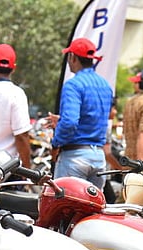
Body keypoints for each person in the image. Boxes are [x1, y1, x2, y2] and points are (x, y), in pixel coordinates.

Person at [47, 37, 114, 187]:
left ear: (72, 57)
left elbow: (70, 122)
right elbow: (95, 117)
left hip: (75, 158)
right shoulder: (105, 85)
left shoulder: (73, 85)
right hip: (98, 158)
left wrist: (56, 143)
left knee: (64, 201)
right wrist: (61, 120)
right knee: (93, 203)